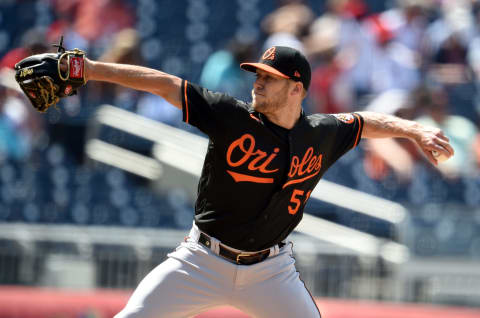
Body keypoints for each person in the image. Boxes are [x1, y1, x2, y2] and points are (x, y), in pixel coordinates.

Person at [81, 45, 454, 318]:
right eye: (257, 74)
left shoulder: (321, 134)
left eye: (269, 78)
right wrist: (91, 68)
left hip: (270, 272)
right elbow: (165, 85)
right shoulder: (231, 117)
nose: (258, 82)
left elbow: (365, 122)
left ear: (297, 89)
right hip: (201, 260)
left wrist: (414, 130)